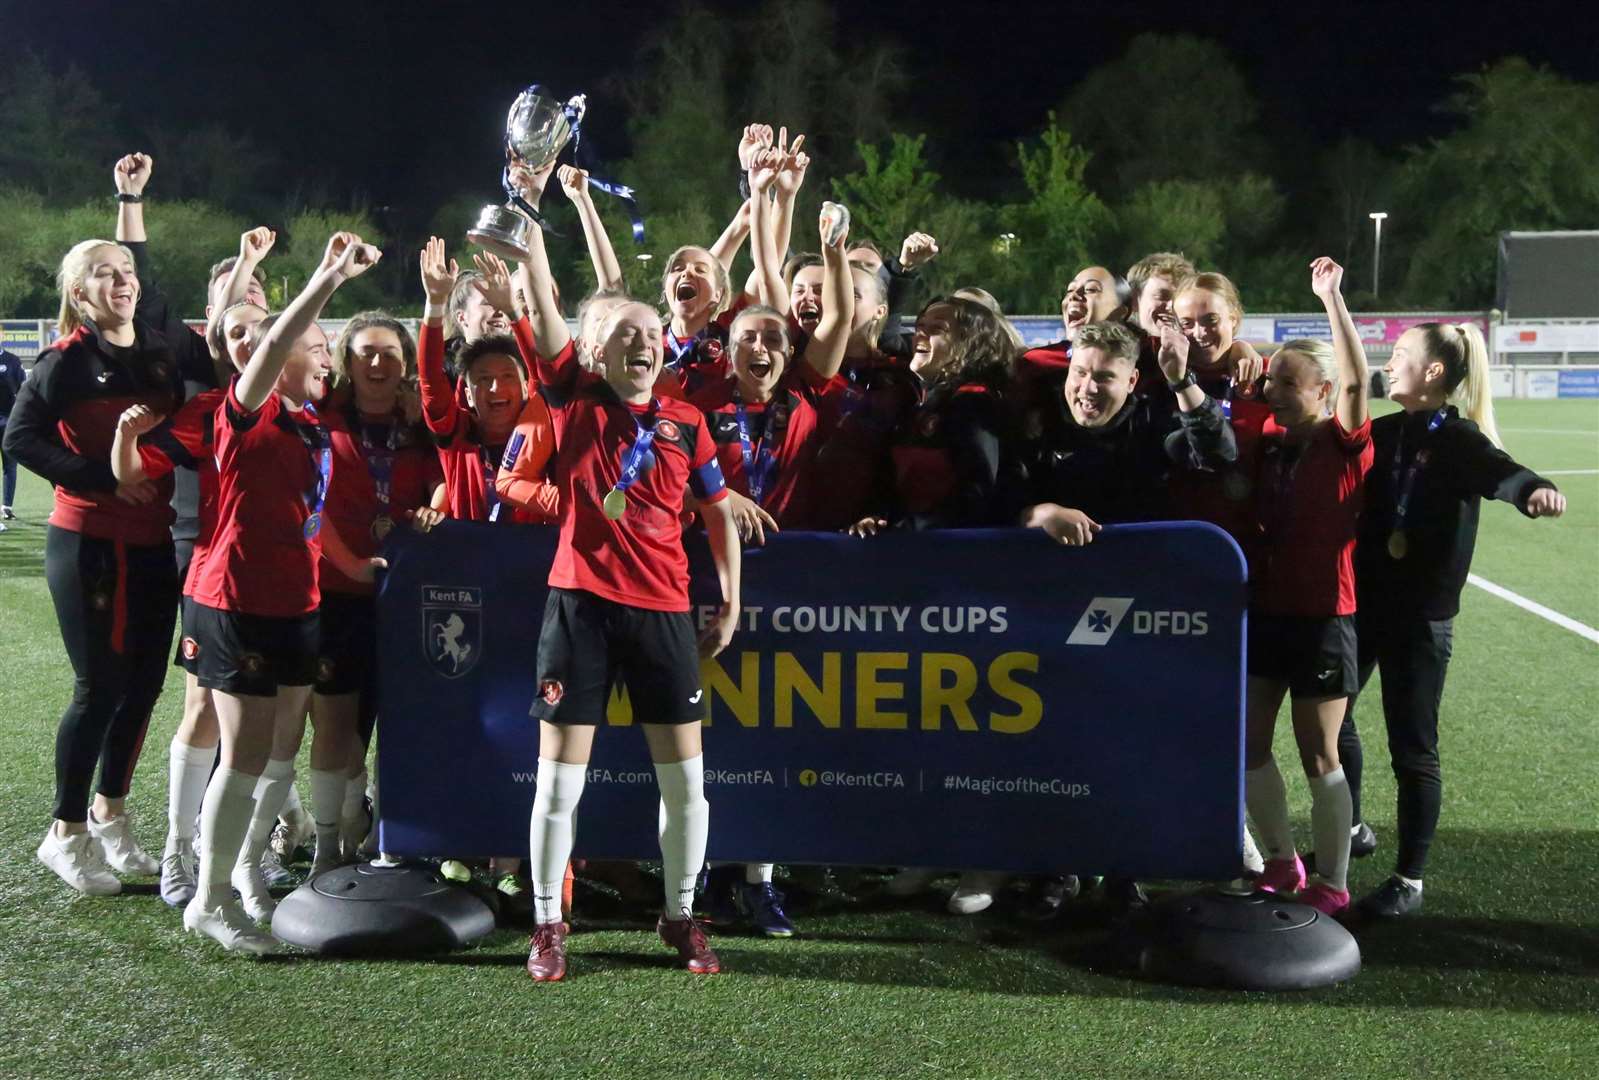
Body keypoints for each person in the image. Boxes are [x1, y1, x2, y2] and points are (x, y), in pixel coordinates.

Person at [517, 207, 743, 982]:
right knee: (558, 785)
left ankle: (681, 917)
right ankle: (548, 924)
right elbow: (545, 309)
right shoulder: (572, 399)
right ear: (596, 351)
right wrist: (532, 218)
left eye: (649, 335)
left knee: (687, 786)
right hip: (578, 607)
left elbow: (717, 513)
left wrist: (732, 597)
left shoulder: (688, 420)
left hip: (664, 615)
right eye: (624, 335)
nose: (640, 343)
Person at [179, 231, 381, 952]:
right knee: (242, 753)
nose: (326, 357)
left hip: (296, 602)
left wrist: (349, 568)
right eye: (315, 347)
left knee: (272, 754)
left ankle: (239, 876)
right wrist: (326, 277)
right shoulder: (247, 407)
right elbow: (267, 348)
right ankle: (208, 896)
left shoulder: (309, 424)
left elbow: (310, 515)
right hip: (237, 598)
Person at [1011, 318, 1238, 917]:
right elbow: (993, 502)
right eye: (1080, 373)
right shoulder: (1037, 426)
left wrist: (1183, 380)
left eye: (1104, 378)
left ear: (1133, 380)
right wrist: (1042, 510)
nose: (1087, 387)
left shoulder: (1151, 425)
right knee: (1053, 741)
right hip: (1048, 612)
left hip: (1131, 614)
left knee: (1126, 744)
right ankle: (1058, 867)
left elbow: (1218, 453)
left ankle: (1123, 867)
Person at [1339, 324, 1566, 918]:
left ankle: (1409, 880)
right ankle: (1355, 826)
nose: (1391, 362)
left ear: (1433, 373)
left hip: (1420, 621)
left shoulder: (1460, 439)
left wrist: (1532, 490)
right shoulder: (1383, 432)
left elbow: (1502, 471)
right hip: (1363, 607)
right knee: (1330, 723)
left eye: (1401, 356)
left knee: (1412, 750)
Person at [690, 196, 856, 936]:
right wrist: (720, 501)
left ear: (789, 355)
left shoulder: (806, 396)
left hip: (788, 588)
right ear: (725, 350)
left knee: (770, 732)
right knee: (705, 728)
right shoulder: (692, 400)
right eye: (746, 337)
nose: (758, 347)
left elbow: (839, 322)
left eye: (773, 339)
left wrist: (830, 250)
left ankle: (758, 879)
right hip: (704, 582)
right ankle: (697, 873)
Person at [5, 238, 184, 896]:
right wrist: (100, 481)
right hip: (90, 543)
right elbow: (18, 437)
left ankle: (111, 815)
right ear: (80, 295)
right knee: (99, 687)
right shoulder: (64, 362)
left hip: (153, 541)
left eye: (127, 272)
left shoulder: (160, 352)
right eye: (103, 276)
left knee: (143, 687)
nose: (122, 283)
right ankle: (66, 833)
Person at [109, 233, 276, 907]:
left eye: (258, 317)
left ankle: (252, 844)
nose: (246, 332)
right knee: (203, 702)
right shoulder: (206, 401)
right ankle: (185, 849)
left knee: (272, 713)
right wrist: (124, 440)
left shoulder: (303, 398)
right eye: (233, 323)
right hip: (209, 564)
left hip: (289, 580)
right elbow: (137, 469)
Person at [850, 295, 1020, 914]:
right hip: (923, 589)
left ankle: (988, 861)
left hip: (972, 589)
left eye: (937, 329)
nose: (920, 335)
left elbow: (986, 496)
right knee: (928, 724)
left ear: (969, 341)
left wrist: (914, 530)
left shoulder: (974, 403)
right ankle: (931, 845)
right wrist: (884, 519)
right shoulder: (927, 401)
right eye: (920, 325)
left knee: (977, 726)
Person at [1242, 257, 1371, 917]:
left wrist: (1331, 299)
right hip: (1265, 612)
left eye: (1287, 382)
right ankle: (1279, 860)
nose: (1273, 391)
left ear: (1323, 389)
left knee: (1319, 753)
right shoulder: (1268, 436)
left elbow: (1355, 377)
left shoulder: (1346, 440)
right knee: (1245, 741)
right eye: (1270, 380)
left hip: (1324, 616)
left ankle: (1333, 882)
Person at [309, 313, 442, 879]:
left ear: (406, 362)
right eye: (366, 352)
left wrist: (433, 504)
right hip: (339, 587)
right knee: (337, 720)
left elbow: (447, 475)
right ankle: (328, 840)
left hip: (407, 590)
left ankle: (391, 832)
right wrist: (351, 564)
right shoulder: (323, 417)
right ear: (347, 358)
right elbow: (310, 505)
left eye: (389, 353)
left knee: (406, 715)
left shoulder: (424, 423)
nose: (377, 363)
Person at [0, 347, 23, 526]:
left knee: (10, 466)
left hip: (8, 422)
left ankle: (7, 507)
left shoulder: (13, 360)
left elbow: (22, 389)